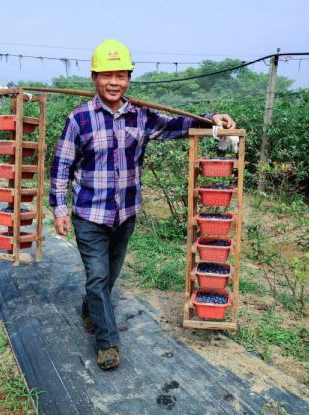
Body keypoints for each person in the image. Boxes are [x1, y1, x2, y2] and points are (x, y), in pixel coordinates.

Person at [49, 39, 236, 371]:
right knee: (97, 275)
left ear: (129, 79)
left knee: (107, 276)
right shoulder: (79, 118)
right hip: (90, 214)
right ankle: (107, 343)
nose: (114, 82)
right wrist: (60, 209)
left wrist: (210, 120)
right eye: (107, 75)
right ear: (94, 78)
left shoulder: (142, 116)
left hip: (125, 214)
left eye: (121, 75)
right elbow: (62, 165)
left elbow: (178, 126)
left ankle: (90, 307)